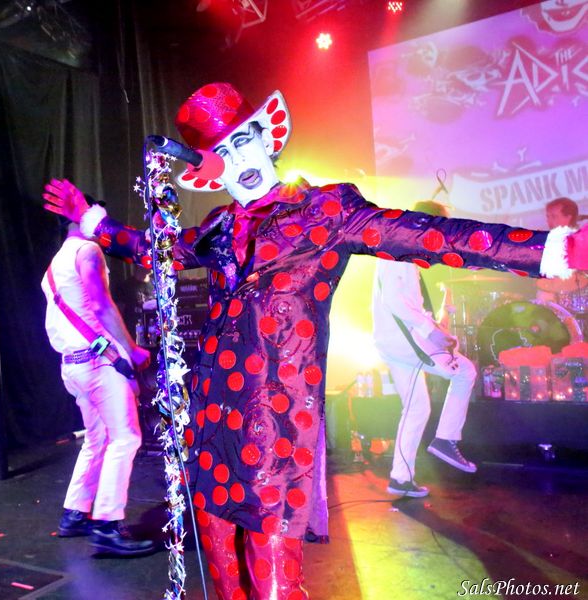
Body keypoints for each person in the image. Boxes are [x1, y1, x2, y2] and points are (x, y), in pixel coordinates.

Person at [42, 82, 588, 598]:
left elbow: (429, 235)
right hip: (212, 417)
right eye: (224, 152)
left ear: (267, 140)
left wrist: (549, 250)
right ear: (210, 170)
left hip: (276, 422)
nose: (239, 159)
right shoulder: (220, 226)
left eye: (244, 140)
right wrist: (92, 221)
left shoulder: (326, 211)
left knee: (271, 562)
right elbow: (154, 249)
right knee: (218, 553)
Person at [40, 200, 154, 557]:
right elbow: (102, 305)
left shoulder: (53, 265)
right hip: (98, 363)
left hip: (72, 366)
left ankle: (75, 513)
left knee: (97, 438)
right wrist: (131, 349)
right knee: (126, 437)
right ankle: (106, 526)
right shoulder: (88, 251)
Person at [372, 200, 478, 499]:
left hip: (395, 341)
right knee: (465, 372)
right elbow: (394, 301)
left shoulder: (402, 250)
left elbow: (405, 303)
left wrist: (435, 327)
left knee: (417, 408)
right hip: (403, 340)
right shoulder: (399, 250)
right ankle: (446, 439)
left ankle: (400, 478)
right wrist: (431, 332)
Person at [536, 197, 588, 311]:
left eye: (554, 216)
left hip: (578, 302)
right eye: (548, 217)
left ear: (568, 217)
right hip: (549, 299)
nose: (549, 221)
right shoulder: (545, 240)